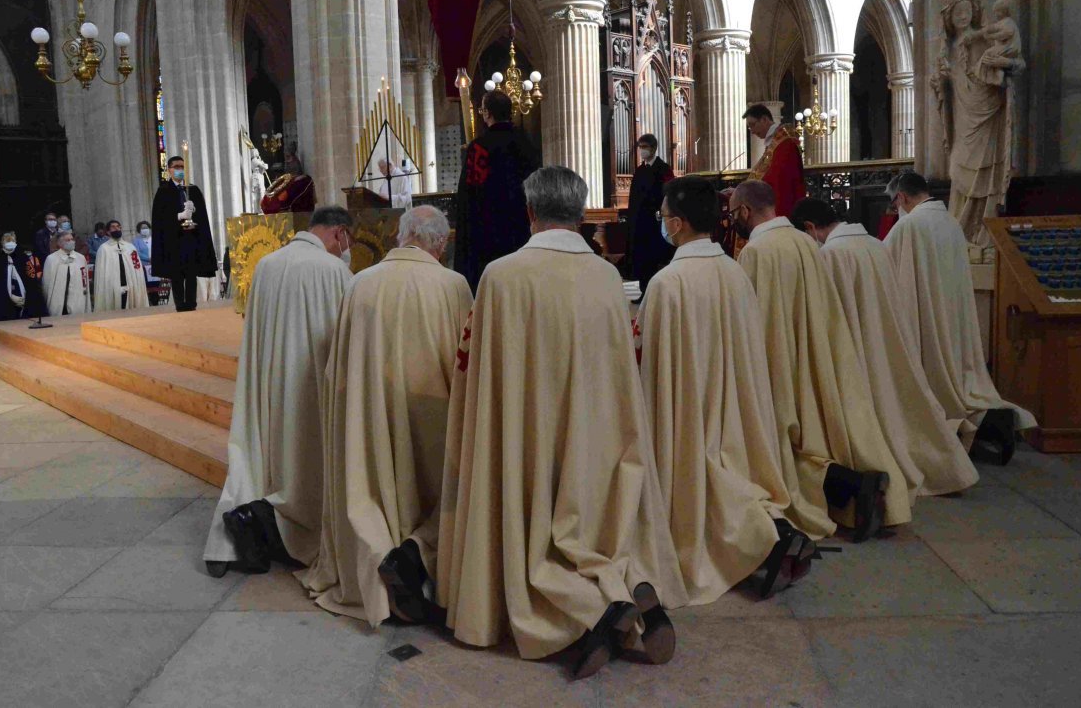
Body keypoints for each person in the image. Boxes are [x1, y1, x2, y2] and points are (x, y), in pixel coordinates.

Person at [436, 166, 687, 679]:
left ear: (529, 212)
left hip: (523, 430)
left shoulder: (501, 276)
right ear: (578, 214)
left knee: (534, 530)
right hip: (593, 429)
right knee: (595, 520)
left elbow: (474, 362)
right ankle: (625, 587)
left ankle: (592, 608)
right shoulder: (605, 277)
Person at [637, 177, 812, 603]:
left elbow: (654, 366)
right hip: (735, 404)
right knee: (729, 463)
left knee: (699, 471)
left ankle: (762, 541)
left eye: (663, 218)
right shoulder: (734, 271)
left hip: (688, 405)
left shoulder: (667, 282)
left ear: (677, 224)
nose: (662, 224)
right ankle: (771, 531)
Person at [298, 206, 471, 626]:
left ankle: (379, 556)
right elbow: (468, 363)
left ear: (400, 235)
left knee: (372, 493)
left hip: (370, 416)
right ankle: (417, 557)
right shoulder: (453, 284)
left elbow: (335, 368)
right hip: (433, 413)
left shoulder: (360, 283)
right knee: (443, 494)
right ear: (441, 243)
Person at [730, 180, 910, 542]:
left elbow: (751, 320)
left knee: (779, 445)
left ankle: (853, 487)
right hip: (816, 352)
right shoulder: (804, 241)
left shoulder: (755, 252)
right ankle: (857, 487)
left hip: (778, 359)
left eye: (734, 212)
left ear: (745, 212)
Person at [790, 198, 979, 497]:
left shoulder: (832, 254)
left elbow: (832, 315)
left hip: (857, 348)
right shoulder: (874, 244)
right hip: (888, 342)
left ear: (810, 228)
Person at [204, 206, 355, 576]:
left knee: (264, 459)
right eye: (346, 241)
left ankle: (250, 518)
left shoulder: (267, 264)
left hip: (268, 379)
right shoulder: (334, 270)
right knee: (307, 464)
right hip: (309, 384)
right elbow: (349, 335)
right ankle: (282, 528)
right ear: (339, 233)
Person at [885, 172, 1036, 462]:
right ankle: (990, 422)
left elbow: (884, 267)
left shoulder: (911, 226)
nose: (895, 210)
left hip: (925, 317)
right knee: (956, 379)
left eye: (894, 204)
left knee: (934, 384)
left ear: (901, 197)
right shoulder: (949, 221)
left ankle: (981, 426)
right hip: (950, 316)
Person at [453, 90, 538, 291]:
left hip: (487, 234)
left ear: (487, 114)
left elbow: (469, 196)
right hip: (521, 229)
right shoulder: (526, 144)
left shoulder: (479, 148)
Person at [151, 155, 218, 312]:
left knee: (191, 273)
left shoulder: (192, 189)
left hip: (191, 239)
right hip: (174, 240)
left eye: (182, 167)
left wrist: (194, 210)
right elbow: (160, 218)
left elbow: (202, 216)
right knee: (177, 274)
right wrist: (178, 216)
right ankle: (180, 303)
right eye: (177, 167)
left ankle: (191, 303)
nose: (180, 170)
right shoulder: (163, 191)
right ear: (169, 170)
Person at [626, 133, 675, 298]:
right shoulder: (639, 171)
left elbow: (669, 194)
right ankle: (643, 291)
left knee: (655, 258)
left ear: (653, 148)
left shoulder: (663, 169)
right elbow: (633, 199)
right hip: (640, 222)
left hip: (656, 222)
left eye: (645, 147)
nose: (642, 151)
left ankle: (655, 293)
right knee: (641, 257)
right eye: (640, 147)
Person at [743, 104, 804, 217]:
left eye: (752, 125)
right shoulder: (774, 142)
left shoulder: (785, 143)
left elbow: (779, 179)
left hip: (782, 205)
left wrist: (751, 187)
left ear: (764, 119)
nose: (752, 131)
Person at [0, 232, 45, 322]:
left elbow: (31, 279)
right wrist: (10, 296)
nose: (10, 243)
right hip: (5, 303)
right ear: (2, 243)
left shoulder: (23, 257)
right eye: (7, 241)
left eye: (12, 241)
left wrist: (26, 297)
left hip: (24, 299)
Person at [93, 221, 149, 311]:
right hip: (112, 287)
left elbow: (137, 268)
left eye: (118, 226)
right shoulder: (104, 249)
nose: (116, 228)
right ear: (107, 232)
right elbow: (102, 274)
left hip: (130, 284)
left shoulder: (130, 247)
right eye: (113, 227)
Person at [42, 231, 91, 317]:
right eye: (67, 240)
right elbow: (46, 283)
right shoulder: (51, 259)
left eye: (72, 239)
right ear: (60, 243)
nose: (71, 242)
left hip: (76, 297)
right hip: (59, 298)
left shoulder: (80, 258)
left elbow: (84, 279)